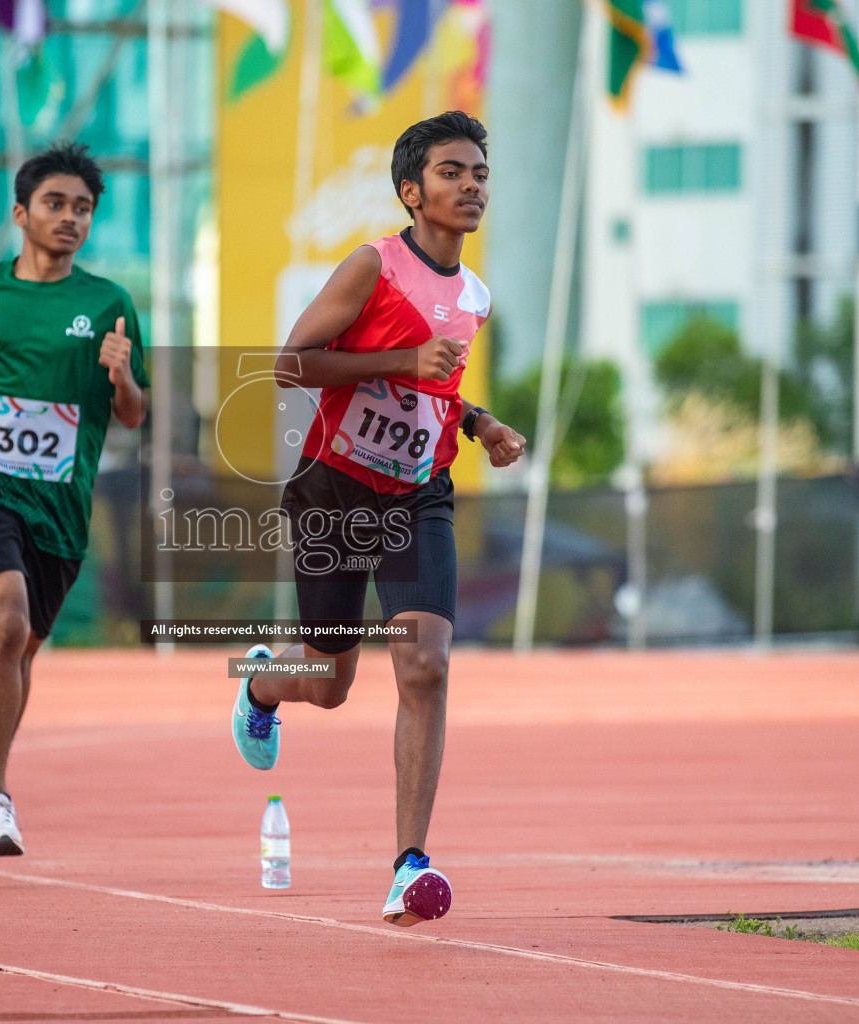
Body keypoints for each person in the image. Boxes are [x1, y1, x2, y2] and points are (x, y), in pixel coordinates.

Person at [230, 112, 525, 926]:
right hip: (333, 491)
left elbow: (436, 387)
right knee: (329, 682)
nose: (472, 186)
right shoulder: (372, 267)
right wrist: (401, 359)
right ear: (411, 191)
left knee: (425, 663)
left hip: (417, 495)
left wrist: (480, 424)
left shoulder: (475, 296)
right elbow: (289, 365)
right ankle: (259, 683)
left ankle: (408, 865)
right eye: (452, 173)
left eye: (479, 173)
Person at [0, 142, 148, 873]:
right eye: (56, 204)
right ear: (21, 213)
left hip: (61, 506)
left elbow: (132, 415)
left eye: (82, 209)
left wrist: (123, 377)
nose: (70, 218)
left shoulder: (108, 304)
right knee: (5, 619)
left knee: (23, 646)